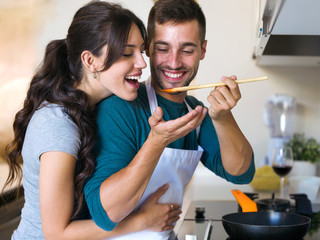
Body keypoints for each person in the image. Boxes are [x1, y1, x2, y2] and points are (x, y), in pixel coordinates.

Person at [2, 1, 201, 239]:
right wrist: (141, 221)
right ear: (90, 61)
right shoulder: (59, 124)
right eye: (127, 53)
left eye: (141, 50)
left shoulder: (91, 110)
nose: (141, 63)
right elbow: (57, 234)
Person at [84, 0, 255, 239]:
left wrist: (223, 117)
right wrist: (156, 142)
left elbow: (241, 173)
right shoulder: (119, 108)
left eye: (187, 50)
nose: (174, 63)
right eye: (163, 48)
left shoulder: (195, 112)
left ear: (203, 50)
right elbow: (106, 212)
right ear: (149, 48)